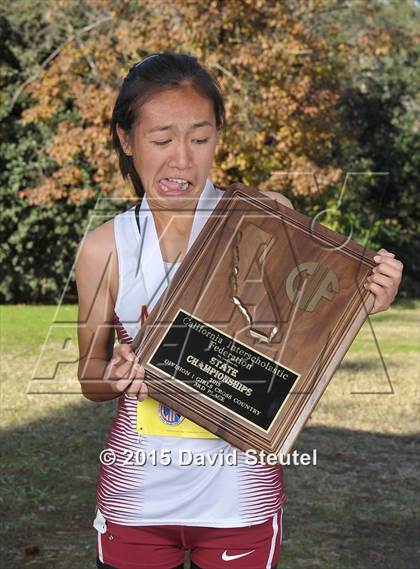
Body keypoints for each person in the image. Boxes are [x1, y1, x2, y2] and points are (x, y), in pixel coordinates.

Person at [75, 53, 403, 569]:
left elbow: (300, 328)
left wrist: (367, 295)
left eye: (200, 138)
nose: (183, 159)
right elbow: (90, 376)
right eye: (162, 139)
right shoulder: (103, 248)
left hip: (240, 500)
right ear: (125, 138)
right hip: (136, 499)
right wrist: (114, 378)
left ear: (219, 135)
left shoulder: (264, 215)